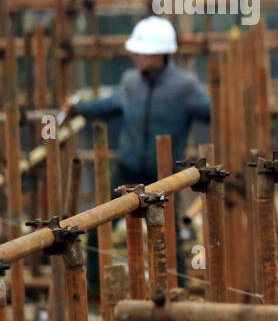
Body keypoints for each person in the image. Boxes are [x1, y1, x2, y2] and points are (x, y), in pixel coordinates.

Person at [63, 16, 211, 190]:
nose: (135, 55)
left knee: (168, 217)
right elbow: (108, 106)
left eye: (141, 51)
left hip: (165, 179)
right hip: (127, 173)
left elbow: (215, 113)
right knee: (105, 213)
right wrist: (76, 108)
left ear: (161, 53)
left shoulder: (185, 86)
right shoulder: (130, 82)